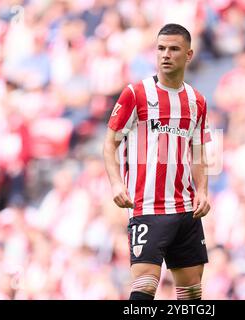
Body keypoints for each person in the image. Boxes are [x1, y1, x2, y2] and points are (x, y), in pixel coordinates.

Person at [103, 23, 211, 300]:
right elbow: (110, 143)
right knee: (145, 287)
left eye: (174, 49)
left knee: (191, 292)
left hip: (186, 208)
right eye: (161, 48)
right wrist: (116, 183)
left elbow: (199, 152)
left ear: (188, 55)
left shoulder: (196, 101)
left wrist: (202, 190)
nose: (166, 54)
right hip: (147, 206)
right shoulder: (136, 94)